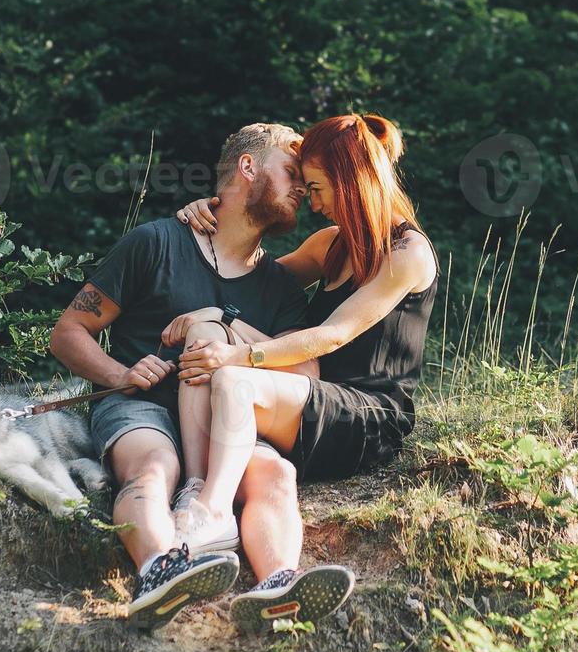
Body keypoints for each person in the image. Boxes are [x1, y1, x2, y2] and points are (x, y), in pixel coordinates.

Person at [48, 123, 350, 632]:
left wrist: (228, 326)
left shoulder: (279, 286)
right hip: (141, 406)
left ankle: (279, 588)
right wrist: (120, 372)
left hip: (224, 417)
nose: (301, 187)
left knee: (276, 474)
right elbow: (68, 332)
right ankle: (158, 572)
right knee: (153, 465)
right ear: (248, 167)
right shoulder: (156, 243)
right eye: (292, 172)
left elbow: (307, 373)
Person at [166, 113, 439, 621]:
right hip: (310, 396)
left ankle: (213, 514)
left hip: (367, 418)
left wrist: (240, 355)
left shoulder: (408, 253)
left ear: (351, 180)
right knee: (209, 336)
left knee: (233, 377)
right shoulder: (328, 245)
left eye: (316, 187)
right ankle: (202, 492)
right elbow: (248, 283)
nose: (311, 201)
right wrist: (213, 214)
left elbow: (333, 334)